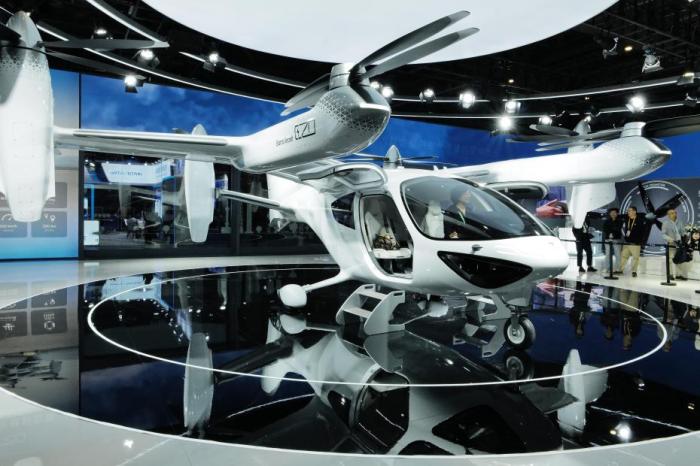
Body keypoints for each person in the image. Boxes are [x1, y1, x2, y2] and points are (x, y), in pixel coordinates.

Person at [616, 206, 645, 277]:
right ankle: (620, 270)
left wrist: (639, 242)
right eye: (628, 211)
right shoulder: (626, 220)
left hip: (635, 243)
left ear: (634, 212)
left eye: (630, 210)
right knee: (623, 256)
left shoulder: (640, 220)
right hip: (626, 243)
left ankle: (634, 271)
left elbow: (642, 232)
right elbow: (623, 230)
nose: (628, 212)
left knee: (635, 258)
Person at [661, 208, 686, 280]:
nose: (674, 214)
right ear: (668, 215)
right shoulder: (665, 223)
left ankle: (679, 274)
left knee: (679, 259)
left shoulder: (680, 222)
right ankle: (671, 274)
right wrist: (670, 239)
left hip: (679, 244)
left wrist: (685, 236)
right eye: (672, 213)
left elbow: (683, 232)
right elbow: (663, 234)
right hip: (671, 243)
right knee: (670, 259)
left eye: (675, 213)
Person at [602, 207, 623, 273]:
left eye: (614, 212)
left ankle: (618, 268)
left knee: (618, 254)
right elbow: (604, 229)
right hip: (608, 239)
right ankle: (606, 268)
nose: (613, 214)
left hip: (617, 239)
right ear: (610, 213)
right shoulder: (607, 221)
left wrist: (612, 233)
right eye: (612, 212)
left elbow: (618, 229)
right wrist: (610, 233)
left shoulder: (620, 221)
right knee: (607, 254)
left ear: (617, 213)